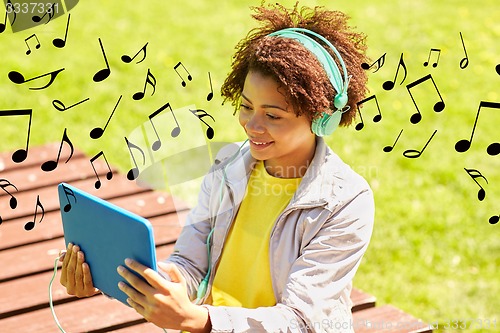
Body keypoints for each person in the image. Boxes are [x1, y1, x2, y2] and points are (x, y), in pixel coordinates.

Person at [59, 2, 374, 332]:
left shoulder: (346, 202)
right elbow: (190, 264)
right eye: (246, 106)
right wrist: (124, 277)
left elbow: (299, 320)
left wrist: (200, 320)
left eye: (273, 116)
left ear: (322, 118)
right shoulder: (229, 165)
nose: (252, 125)